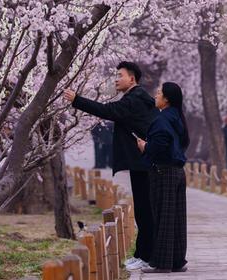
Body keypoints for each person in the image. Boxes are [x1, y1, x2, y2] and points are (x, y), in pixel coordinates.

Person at [63, 61, 157, 269]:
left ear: (131, 79)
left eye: (120, 75)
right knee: (143, 210)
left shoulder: (135, 99)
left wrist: (77, 100)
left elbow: (108, 111)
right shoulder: (135, 98)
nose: (116, 79)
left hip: (144, 163)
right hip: (142, 162)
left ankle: (147, 256)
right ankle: (143, 254)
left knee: (145, 211)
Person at [135, 82, 189, 273]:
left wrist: (144, 147)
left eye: (158, 93)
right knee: (177, 218)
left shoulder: (161, 119)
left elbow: (158, 147)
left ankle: (162, 263)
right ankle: (176, 260)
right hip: (178, 172)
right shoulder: (177, 117)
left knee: (163, 217)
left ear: (166, 99)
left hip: (163, 172)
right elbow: (182, 142)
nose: (155, 95)